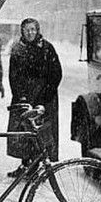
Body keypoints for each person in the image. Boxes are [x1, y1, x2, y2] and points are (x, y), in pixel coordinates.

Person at [6, 18, 62, 178]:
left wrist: (43, 99)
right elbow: (13, 76)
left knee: (41, 132)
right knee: (23, 132)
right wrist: (20, 96)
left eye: (33, 29)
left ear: (37, 30)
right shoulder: (18, 49)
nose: (30, 32)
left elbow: (55, 74)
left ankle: (37, 166)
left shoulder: (47, 48)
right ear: (22, 31)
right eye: (26, 29)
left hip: (44, 97)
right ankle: (25, 165)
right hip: (23, 97)